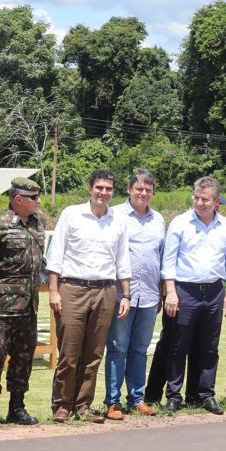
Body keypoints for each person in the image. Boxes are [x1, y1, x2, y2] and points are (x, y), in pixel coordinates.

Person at [47, 168, 131, 424]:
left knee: (94, 354)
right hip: (72, 289)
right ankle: (62, 405)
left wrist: (125, 294)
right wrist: (53, 290)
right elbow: (56, 255)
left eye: (108, 189)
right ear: (90, 188)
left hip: (105, 290)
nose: (103, 193)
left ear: (113, 192)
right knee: (69, 352)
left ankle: (83, 405)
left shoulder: (118, 220)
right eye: (99, 188)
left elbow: (122, 260)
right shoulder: (72, 214)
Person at [161, 176, 226, 415]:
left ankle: (204, 394)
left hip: (214, 291)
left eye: (205, 199)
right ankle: (174, 396)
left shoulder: (224, 225)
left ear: (216, 201)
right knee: (178, 345)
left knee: (209, 347)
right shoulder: (180, 223)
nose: (200, 203)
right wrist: (170, 292)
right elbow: (168, 261)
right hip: (185, 291)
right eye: (197, 198)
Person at [0, 177, 45, 428]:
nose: (38, 201)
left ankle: (17, 406)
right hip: (1, 307)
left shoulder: (39, 224)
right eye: (33, 197)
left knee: (24, 357)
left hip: (29, 306)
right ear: (18, 198)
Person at [104, 169, 164, 420]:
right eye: (139, 188)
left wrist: (162, 292)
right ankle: (113, 402)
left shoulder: (158, 219)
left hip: (149, 294)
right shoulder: (114, 215)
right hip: (121, 295)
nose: (143, 193)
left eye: (148, 190)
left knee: (140, 349)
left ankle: (137, 398)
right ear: (129, 190)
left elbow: (161, 257)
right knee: (118, 348)